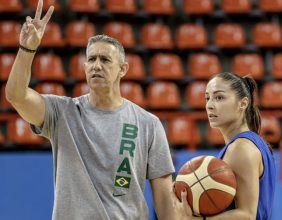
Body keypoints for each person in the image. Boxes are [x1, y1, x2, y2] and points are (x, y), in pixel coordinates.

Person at [5, 0, 176, 219]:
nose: (96, 65)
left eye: (105, 60)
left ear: (123, 69)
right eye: (91, 59)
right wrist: (27, 49)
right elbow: (16, 96)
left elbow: (163, 196)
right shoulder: (61, 112)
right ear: (85, 67)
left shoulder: (147, 123)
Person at [173, 72, 276, 220]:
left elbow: (246, 215)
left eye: (219, 97)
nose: (210, 105)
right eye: (207, 98)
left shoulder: (241, 149)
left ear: (243, 103)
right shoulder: (250, 143)